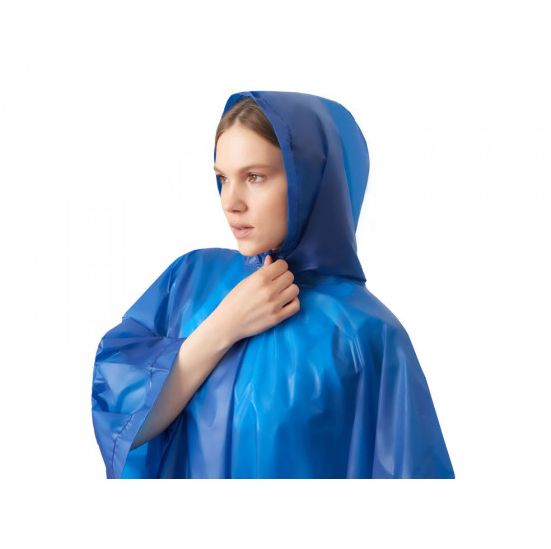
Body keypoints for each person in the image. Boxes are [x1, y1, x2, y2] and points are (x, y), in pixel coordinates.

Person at [91, 90, 455, 479]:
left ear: (310, 181)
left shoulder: (369, 336)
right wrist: (223, 327)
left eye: (255, 177)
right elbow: (123, 427)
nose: (230, 201)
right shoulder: (189, 281)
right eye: (222, 178)